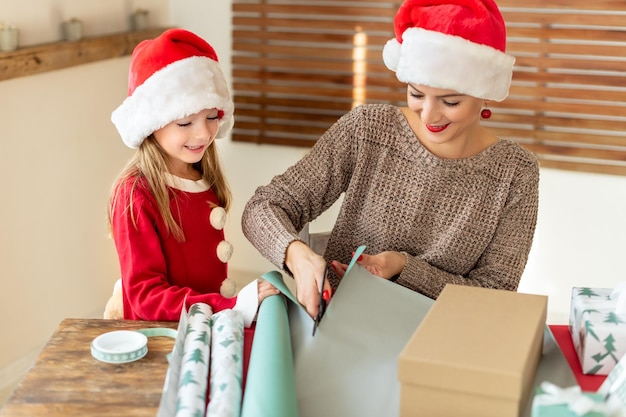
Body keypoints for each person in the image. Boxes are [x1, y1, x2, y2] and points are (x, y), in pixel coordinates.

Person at [241, 0, 539, 319]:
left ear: (485, 93)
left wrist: (403, 267)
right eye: (416, 94)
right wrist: (295, 254)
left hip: (441, 339)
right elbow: (263, 207)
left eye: (450, 101)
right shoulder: (369, 130)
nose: (429, 114)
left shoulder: (515, 172)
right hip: (342, 326)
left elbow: (496, 294)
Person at [104, 28, 278, 323]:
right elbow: (146, 297)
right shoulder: (135, 193)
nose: (203, 133)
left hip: (199, 327)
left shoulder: (200, 173)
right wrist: (233, 305)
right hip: (163, 338)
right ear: (151, 124)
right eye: (185, 122)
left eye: (212, 117)